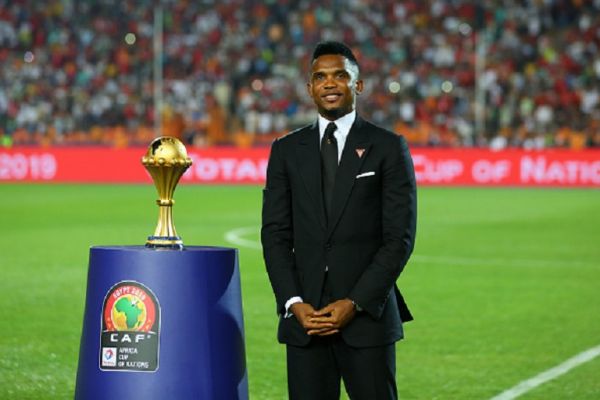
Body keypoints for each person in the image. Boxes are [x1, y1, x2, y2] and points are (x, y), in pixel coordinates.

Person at [261, 41, 417, 400]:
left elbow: (399, 239)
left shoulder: (389, 147)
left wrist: (355, 302)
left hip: (366, 321)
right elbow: (275, 235)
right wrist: (292, 302)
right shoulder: (285, 150)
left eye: (340, 75)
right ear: (310, 88)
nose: (329, 83)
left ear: (357, 85)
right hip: (306, 321)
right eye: (320, 77)